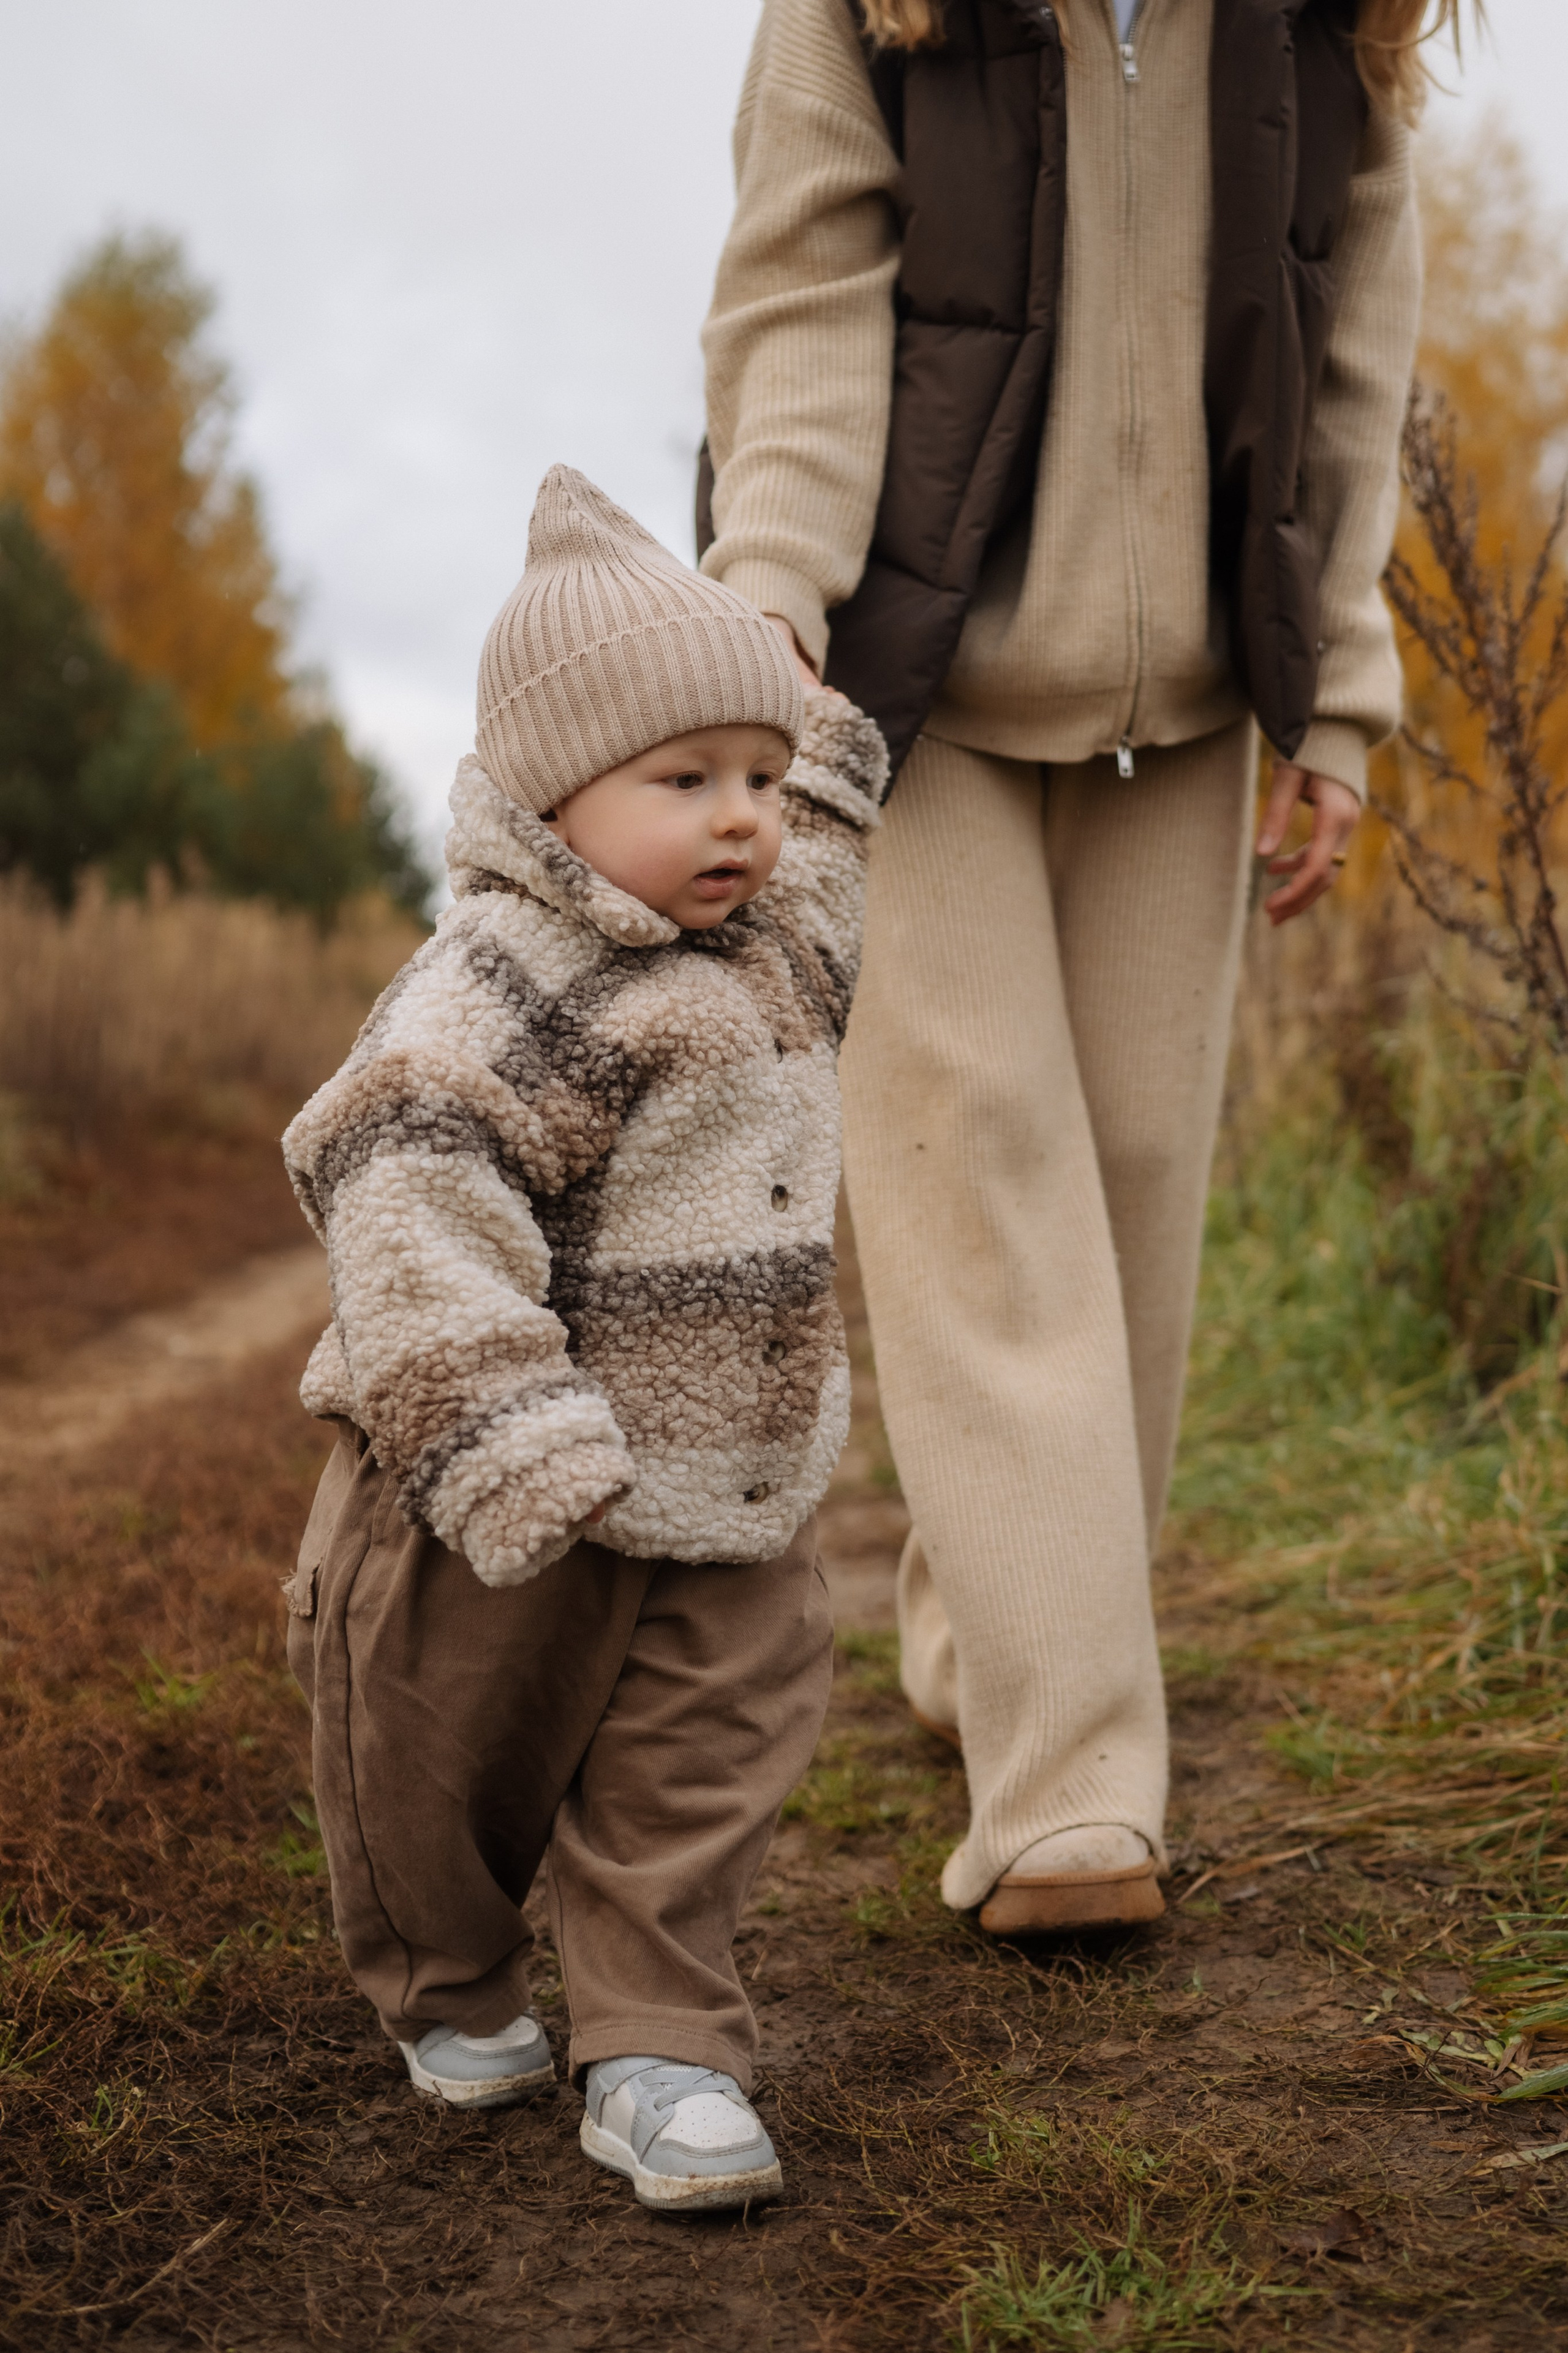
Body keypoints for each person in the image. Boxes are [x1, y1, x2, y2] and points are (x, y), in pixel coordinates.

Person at [698, 0, 1431, 1932]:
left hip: (1191, 711)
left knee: (1129, 1200)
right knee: (981, 1176)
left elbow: (1358, 352)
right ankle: (1069, 1784)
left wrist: (1340, 702)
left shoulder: (1323, 25)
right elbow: (801, 286)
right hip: (905, 692)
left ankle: (982, 1631)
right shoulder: (877, 8)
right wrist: (766, 589)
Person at [281, 465, 888, 2213]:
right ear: (553, 800)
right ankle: (450, 1975)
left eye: (760, 782)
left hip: (724, 1488)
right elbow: (395, 1177)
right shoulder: (505, 980)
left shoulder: (772, 949)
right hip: (488, 1483)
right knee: (437, 1759)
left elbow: (828, 867)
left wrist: (827, 746)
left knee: (709, 1752)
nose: (742, 821)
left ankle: (660, 2047)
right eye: (685, 781)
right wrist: (502, 1430)